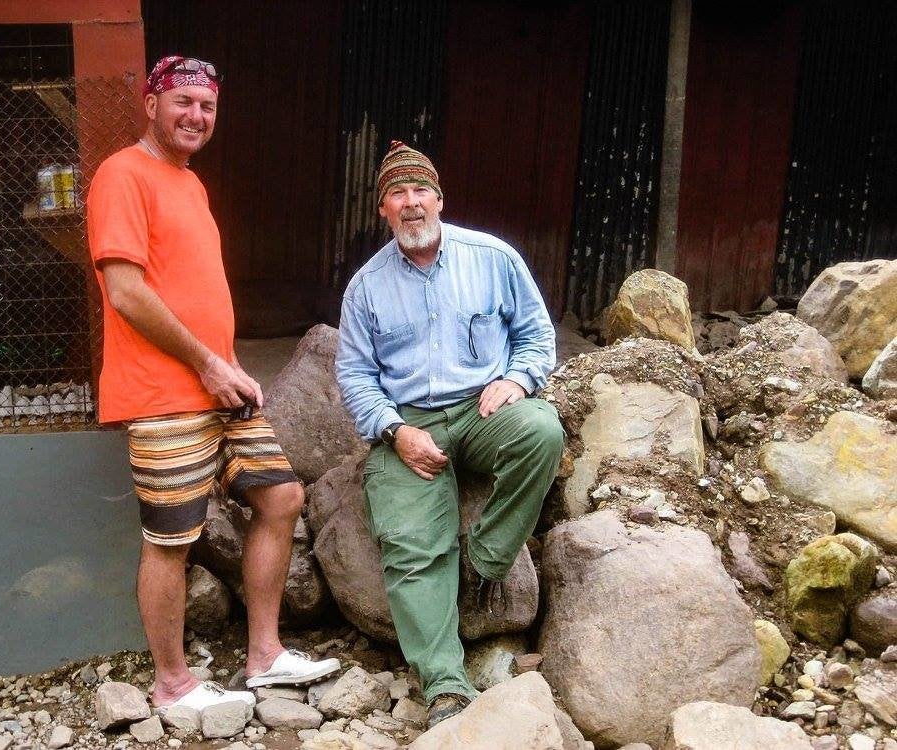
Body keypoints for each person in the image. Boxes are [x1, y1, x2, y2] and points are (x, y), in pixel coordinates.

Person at [86, 55, 339, 713]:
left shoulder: (188, 183)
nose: (197, 116)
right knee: (171, 538)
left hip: (219, 385)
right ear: (151, 103)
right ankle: (172, 686)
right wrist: (205, 361)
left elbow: (189, 288)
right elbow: (126, 291)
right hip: (164, 393)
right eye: (184, 103)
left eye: (208, 106)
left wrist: (224, 363)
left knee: (280, 498)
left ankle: (264, 657)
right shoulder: (123, 174)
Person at [335, 141, 565, 728]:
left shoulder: (493, 258)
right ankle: (445, 684)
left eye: (420, 191)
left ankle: (486, 563)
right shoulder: (365, 286)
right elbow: (356, 376)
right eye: (397, 194)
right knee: (411, 546)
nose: (410, 204)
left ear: (439, 198)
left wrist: (517, 378)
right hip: (409, 423)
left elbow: (537, 334)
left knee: (541, 430)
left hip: (482, 411)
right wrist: (393, 431)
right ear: (382, 209)